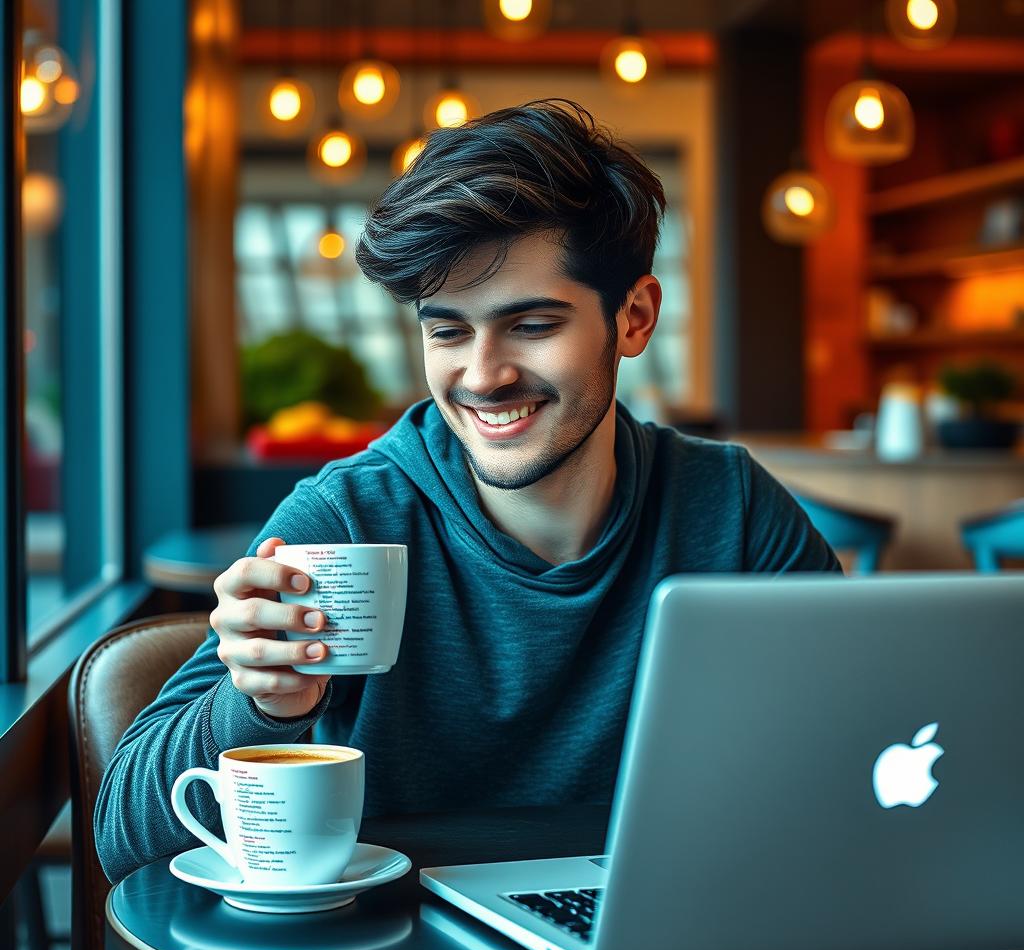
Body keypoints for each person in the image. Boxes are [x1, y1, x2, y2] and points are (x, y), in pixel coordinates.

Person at [96, 98, 841, 884]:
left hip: (657, 944)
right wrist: (263, 708)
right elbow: (122, 842)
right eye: (447, 331)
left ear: (634, 318)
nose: (483, 376)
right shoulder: (346, 521)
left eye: (531, 325)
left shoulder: (733, 511)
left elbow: (863, 745)